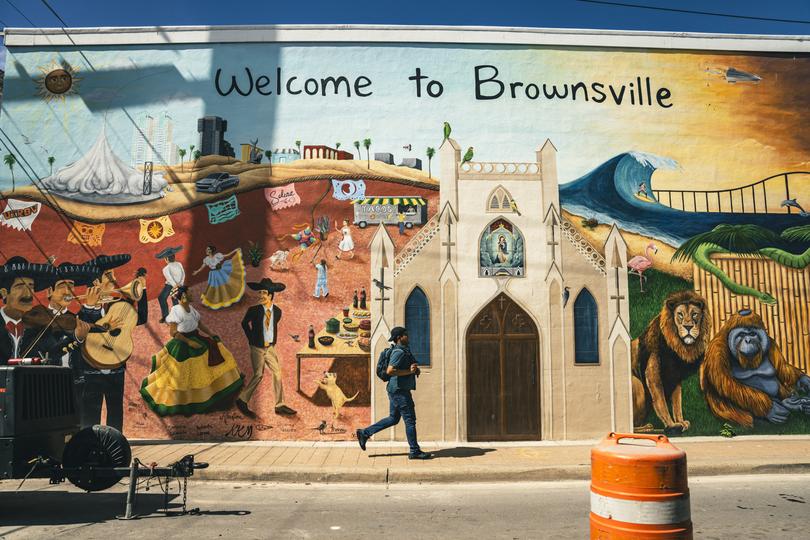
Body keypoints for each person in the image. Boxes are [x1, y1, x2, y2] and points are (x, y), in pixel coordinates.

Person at [140, 286, 243, 415]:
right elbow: (173, 332)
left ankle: (217, 391)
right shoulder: (176, 310)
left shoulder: (192, 309)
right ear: (183, 296)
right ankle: (191, 401)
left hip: (196, 337)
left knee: (216, 348)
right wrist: (189, 342)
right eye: (189, 293)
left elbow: (200, 325)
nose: (192, 294)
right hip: (182, 343)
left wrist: (211, 334)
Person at [77, 255, 148, 431]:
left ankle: (115, 441)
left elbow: (141, 319)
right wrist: (91, 308)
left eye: (114, 275)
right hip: (91, 369)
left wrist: (143, 291)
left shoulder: (121, 305)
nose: (115, 279)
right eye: (109, 276)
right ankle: (89, 442)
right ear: (96, 281)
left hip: (116, 368)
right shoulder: (85, 310)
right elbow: (83, 330)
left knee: (115, 410)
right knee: (90, 411)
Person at [356, 326, 432, 460]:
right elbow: (390, 371)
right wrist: (409, 372)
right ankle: (414, 451)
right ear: (399, 338)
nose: (408, 337)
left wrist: (414, 370)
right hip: (399, 391)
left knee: (393, 418)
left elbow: (403, 368)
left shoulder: (403, 350)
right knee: (410, 421)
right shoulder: (399, 352)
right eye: (405, 335)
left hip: (396, 389)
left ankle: (365, 433)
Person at [236, 278, 297, 418]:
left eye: (263, 293)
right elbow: (245, 323)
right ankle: (242, 400)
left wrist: (270, 341)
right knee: (258, 374)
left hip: (270, 348)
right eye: (260, 292)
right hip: (257, 348)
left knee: (277, 373)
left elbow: (272, 327)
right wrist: (252, 339)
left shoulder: (278, 311)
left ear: (270, 295)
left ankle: (280, 405)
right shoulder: (253, 310)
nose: (260, 295)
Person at [0, 256, 60, 363]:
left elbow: (55, 357)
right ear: (4, 293)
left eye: (31, 286)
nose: (28, 294)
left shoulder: (40, 329)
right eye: (20, 286)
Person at [191, 245, 246, 310]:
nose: (206, 251)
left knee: (224, 285)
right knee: (214, 287)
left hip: (221, 272)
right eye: (206, 249)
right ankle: (215, 300)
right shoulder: (206, 259)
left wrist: (235, 250)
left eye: (208, 249)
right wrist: (197, 271)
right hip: (213, 274)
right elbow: (202, 267)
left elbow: (227, 255)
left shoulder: (217, 256)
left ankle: (226, 298)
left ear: (211, 250)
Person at [156, 246, 185, 323]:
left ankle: (166, 316)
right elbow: (183, 274)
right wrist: (180, 284)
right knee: (175, 299)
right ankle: (177, 316)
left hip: (170, 285)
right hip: (179, 284)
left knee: (161, 298)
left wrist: (175, 286)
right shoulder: (179, 264)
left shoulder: (166, 268)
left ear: (166, 259)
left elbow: (170, 279)